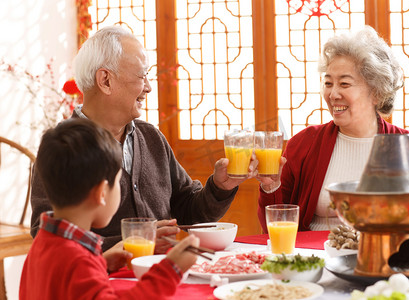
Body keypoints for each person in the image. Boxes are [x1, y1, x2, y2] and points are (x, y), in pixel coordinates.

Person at [30, 26, 257, 252]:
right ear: (105, 80)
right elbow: (47, 237)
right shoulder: (62, 148)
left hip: (159, 277)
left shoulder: (150, 137)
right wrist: (134, 243)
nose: (148, 87)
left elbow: (188, 211)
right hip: (101, 282)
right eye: (142, 76)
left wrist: (220, 187)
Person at [256, 26, 409, 233]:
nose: (333, 94)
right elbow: (274, 227)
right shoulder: (303, 144)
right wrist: (270, 187)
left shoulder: (407, 146)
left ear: (376, 93)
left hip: (382, 257)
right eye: (328, 83)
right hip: (314, 257)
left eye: (344, 84)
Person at [20, 118, 200, 299]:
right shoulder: (78, 261)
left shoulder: (44, 243)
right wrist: (171, 270)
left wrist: (100, 263)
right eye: (117, 183)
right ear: (101, 193)